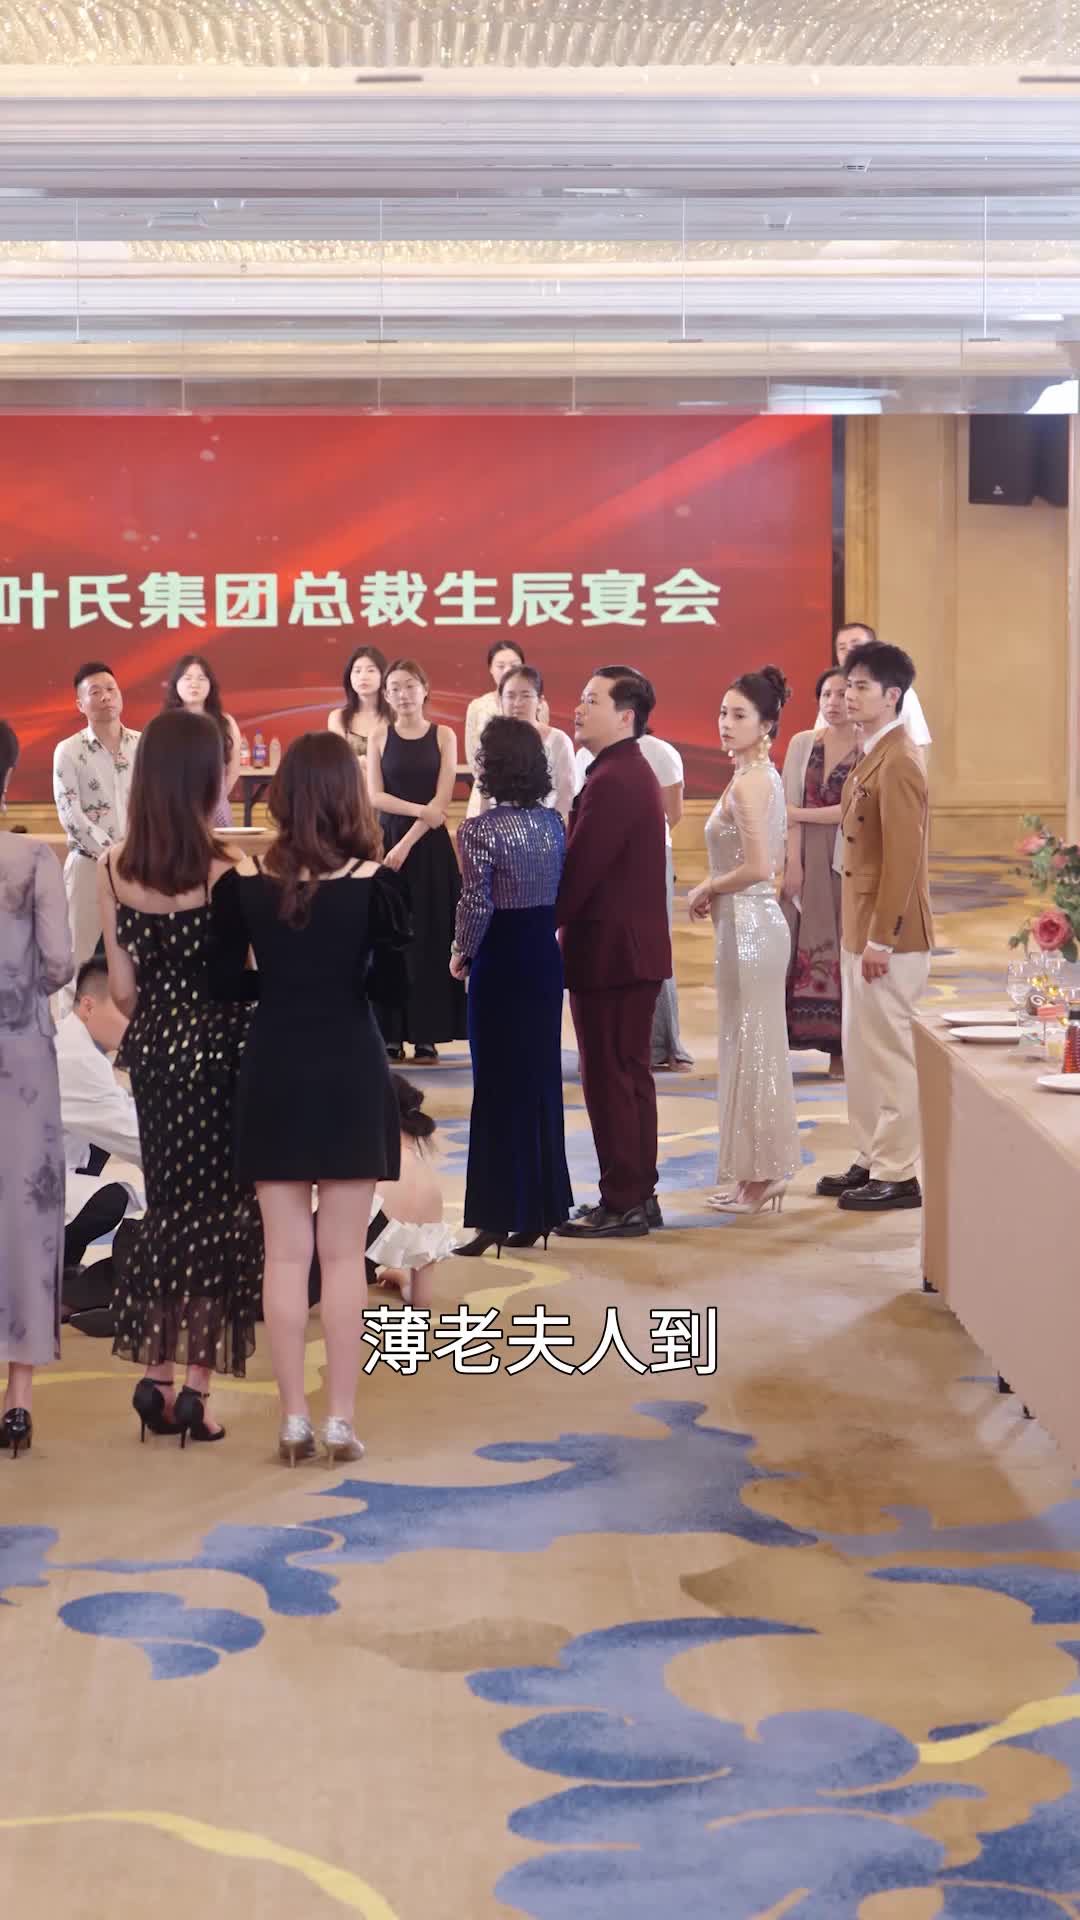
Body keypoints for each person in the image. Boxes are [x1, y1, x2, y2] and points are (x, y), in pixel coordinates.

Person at [209, 731, 410, 1466]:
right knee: (345, 1256)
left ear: (285, 795)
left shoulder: (242, 881)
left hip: (274, 1065)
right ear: (349, 797)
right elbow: (395, 993)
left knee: (285, 1257)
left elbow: (224, 985)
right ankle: (340, 1421)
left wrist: (281, 981)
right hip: (350, 1066)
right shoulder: (376, 882)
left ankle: (292, 1418)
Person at [98, 709, 263, 1446]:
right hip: (221, 1053)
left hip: (155, 1052)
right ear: (204, 778)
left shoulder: (113, 866)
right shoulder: (230, 870)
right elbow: (250, 979)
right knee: (222, 1215)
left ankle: (154, 1377)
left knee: (166, 1209)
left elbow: (121, 990)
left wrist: (163, 1020)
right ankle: (197, 1387)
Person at [815, 640, 932, 1213]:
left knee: (889, 1052)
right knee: (860, 1051)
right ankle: (871, 1155)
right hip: (858, 926)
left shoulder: (901, 758)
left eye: (862, 686)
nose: (848, 695)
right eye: (847, 685)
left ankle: (898, 1171)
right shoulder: (872, 752)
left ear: (893, 695)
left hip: (890, 935)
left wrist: (883, 937)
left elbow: (904, 861)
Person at [554, 667, 670, 1240]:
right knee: (627, 1074)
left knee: (610, 1078)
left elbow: (580, 873)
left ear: (625, 716)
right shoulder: (620, 770)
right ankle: (637, 1194)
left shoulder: (615, 779)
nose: (578, 709)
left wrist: (534, 924)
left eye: (591, 700)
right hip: (625, 953)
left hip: (612, 955)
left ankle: (623, 1201)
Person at [451, 716, 574, 1258]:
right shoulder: (553, 825)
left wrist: (460, 951)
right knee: (540, 1081)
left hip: (500, 963)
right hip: (543, 960)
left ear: (490, 766)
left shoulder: (478, 831)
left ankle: (495, 1216)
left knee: (496, 1087)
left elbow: (476, 904)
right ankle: (541, 1210)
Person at [689, 667, 800, 1216]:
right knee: (747, 1045)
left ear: (766, 725)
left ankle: (763, 1177)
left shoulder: (753, 782)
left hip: (752, 926)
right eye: (723, 713)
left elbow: (760, 867)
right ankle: (752, 1173)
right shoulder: (754, 775)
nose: (726, 724)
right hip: (744, 924)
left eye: (739, 716)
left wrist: (709, 885)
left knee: (756, 1048)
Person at [0, 720, 74, 1456]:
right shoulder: (31, 858)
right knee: (25, 1213)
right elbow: (57, 962)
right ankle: (17, 1399)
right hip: (19, 1054)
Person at [575, 724, 693, 1074]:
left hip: (649, 855)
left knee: (653, 945)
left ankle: (667, 1044)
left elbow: (673, 814)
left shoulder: (660, 752)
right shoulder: (584, 755)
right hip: (598, 855)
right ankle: (609, 1045)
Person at [367, 658, 467, 1063]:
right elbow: (375, 796)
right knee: (389, 940)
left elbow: (441, 802)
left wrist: (409, 841)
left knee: (430, 937)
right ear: (386, 695)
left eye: (410, 685)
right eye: (394, 688)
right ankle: (390, 1034)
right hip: (387, 842)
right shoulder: (379, 735)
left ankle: (427, 1035)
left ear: (425, 689)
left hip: (426, 849)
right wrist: (418, 812)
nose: (402, 694)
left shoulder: (444, 735)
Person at [781, 666, 860, 1075]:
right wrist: (792, 863)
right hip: (803, 856)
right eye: (827, 694)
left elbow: (852, 810)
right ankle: (790, 1038)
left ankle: (840, 1050)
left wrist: (798, 813)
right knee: (796, 941)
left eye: (843, 694)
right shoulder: (802, 744)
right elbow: (786, 805)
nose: (834, 702)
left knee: (841, 942)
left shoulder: (868, 749)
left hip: (845, 858)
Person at [57, 957, 143, 1321]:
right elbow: (134, 1137)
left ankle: (59, 1268)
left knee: (101, 1163)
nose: (135, 1022)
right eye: (124, 1010)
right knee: (112, 1198)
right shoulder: (75, 1057)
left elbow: (124, 1112)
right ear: (88, 1006)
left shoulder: (80, 1048)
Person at [53, 661, 140, 1000]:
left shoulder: (143, 744)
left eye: (111, 689)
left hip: (139, 869)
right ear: (80, 704)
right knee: (79, 955)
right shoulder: (68, 751)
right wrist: (112, 853)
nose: (106, 697)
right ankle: (71, 1029)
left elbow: (155, 803)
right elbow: (70, 813)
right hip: (89, 866)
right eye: (95, 692)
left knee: (138, 954)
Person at [367, 1077, 457, 1308]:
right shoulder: (428, 1178)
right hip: (418, 1230)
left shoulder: (376, 1162)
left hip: (357, 1240)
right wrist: (402, 1279)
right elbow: (421, 1299)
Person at [467, 664, 575, 822]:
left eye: (526, 696)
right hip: (497, 826)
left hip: (544, 827)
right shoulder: (491, 740)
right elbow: (485, 794)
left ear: (540, 701)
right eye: (510, 696)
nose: (517, 703)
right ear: (500, 701)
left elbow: (567, 795)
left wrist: (551, 826)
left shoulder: (559, 740)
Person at [829, 622, 931, 763]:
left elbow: (917, 744)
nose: (848, 652)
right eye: (842, 648)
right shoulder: (832, 692)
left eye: (856, 646)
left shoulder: (903, 694)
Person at [163, 653, 243, 829]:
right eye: (187, 678)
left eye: (201, 678)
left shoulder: (225, 723)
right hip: (175, 811)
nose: (194, 683)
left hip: (216, 810)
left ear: (210, 684)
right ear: (176, 684)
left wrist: (215, 799)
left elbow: (233, 770)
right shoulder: (164, 724)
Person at [464, 640, 526, 783]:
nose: (507, 671)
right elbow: (472, 756)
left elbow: (542, 750)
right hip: (486, 786)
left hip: (527, 787)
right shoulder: (477, 707)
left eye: (514, 666)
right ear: (491, 669)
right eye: (500, 666)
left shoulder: (538, 706)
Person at [328, 644, 391, 769]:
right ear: (349, 677)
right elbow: (340, 761)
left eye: (371, 670)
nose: (363, 677)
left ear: (384, 675)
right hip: (351, 781)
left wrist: (361, 762)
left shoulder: (396, 717)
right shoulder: (338, 717)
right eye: (357, 671)